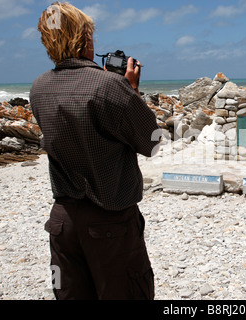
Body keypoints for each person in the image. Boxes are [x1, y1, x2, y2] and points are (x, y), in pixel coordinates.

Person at [30, 2, 160, 300]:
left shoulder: (39, 87)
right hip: (110, 220)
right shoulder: (110, 86)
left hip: (62, 223)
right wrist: (131, 91)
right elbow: (151, 141)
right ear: (85, 38)